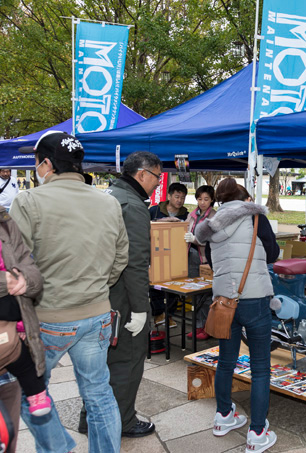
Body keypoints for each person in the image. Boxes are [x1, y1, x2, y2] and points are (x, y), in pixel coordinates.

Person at [13, 131, 128, 453]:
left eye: (37, 163)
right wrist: (96, 286)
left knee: (29, 392)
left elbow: (15, 263)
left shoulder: (30, 200)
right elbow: (121, 258)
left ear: (46, 164)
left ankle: (58, 447)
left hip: (49, 316)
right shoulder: (108, 201)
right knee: (99, 393)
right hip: (97, 313)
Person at [195, 178, 279, 453]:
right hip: (254, 299)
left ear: (219, 200)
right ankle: (256, 432)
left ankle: (223, 416)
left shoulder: (210, 225)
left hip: (223, 300)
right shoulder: (255, 217)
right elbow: (273, 254)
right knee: (260, 368)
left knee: (226, 360)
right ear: (243, 197)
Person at [102, 151, 162, 438]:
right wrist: (141, 309)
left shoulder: (107, 195)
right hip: (123, 298)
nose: (157, 184)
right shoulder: (133, 206)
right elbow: (135, 263)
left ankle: (94, 417)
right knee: (126, 361)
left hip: (101, 294)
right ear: (142, 174)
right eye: (157, 177)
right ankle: (122, 421)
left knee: (102, 365)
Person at [0, 205, 47, 418]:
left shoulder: (4, 220)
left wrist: (27, 280)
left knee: (8, 435)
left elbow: (27, 264)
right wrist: (3, 281)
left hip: (8, 342)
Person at [148, 183, 188, 327]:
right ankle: (158, 314)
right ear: (169, 196)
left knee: (174, 286)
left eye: (183, 198)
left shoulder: (185, 214)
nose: (179, 200)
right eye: (177, 197)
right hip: (156, 253)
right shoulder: (155, 210)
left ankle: (169, 315)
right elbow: (145, 226)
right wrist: (162, 221)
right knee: (155, 285)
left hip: (176, 255)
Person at [183, 185, 216, 340]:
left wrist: (195, 239)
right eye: (200, 199)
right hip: (192, 256)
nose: (202, 202)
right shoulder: (192, 214)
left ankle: (207, 327)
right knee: (194, 293)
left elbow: (212, 239)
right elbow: (184, 229)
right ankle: (197, 326)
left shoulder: (214, 216)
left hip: (206, 259)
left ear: (212, 200)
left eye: (206, 199)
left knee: (206, 294)